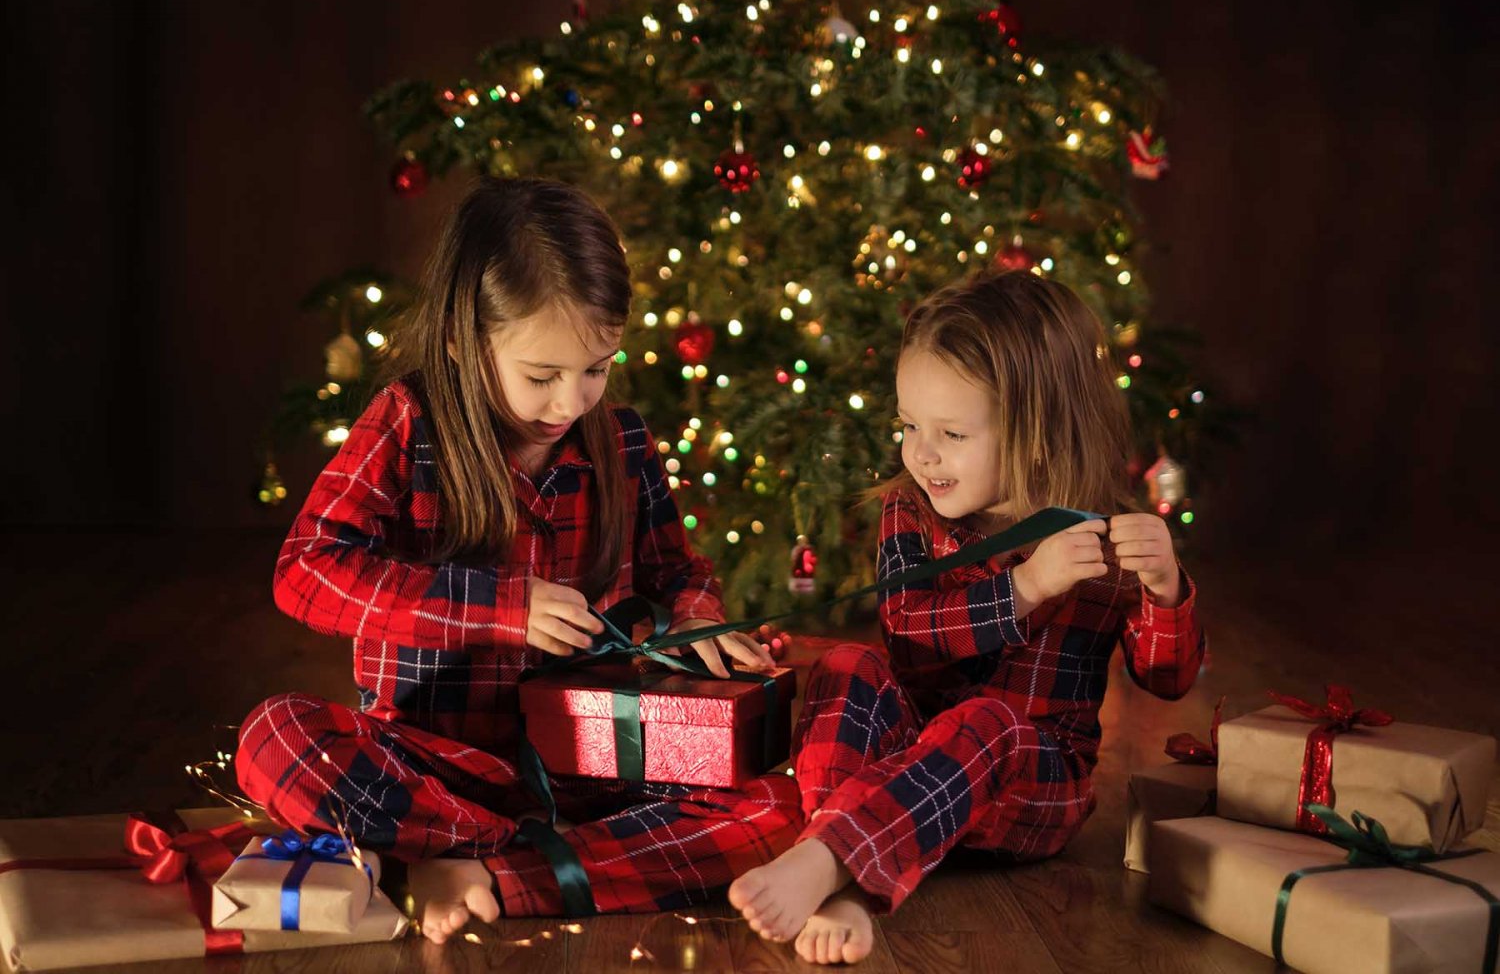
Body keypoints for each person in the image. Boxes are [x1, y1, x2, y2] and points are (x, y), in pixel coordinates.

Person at [236, 177, 799, 944]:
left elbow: (678, 572)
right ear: (464, 339)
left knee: (777, 802)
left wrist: (698, 621)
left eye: (596, 368)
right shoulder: (408, 423)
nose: (571, 402)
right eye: (542, 376)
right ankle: (509, 853)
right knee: (273, 738)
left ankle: (461, 864)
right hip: (429, 765)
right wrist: (500, 606)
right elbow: (305, 570)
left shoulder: (624, 442)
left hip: (592, 766)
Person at [729, 269, 1206, 964]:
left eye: (951, 432)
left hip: (1026, 787)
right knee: (846, 664)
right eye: (909, 425)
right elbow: (907, 636)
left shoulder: (1104, 536)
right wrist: (1025, 587)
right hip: (904, 776)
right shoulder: (910, 510)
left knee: (987, 722)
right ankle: (844, 882)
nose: (921, 453)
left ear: (1039, 433)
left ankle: (827, 855)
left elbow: (1167, 680)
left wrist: (1164, 589)